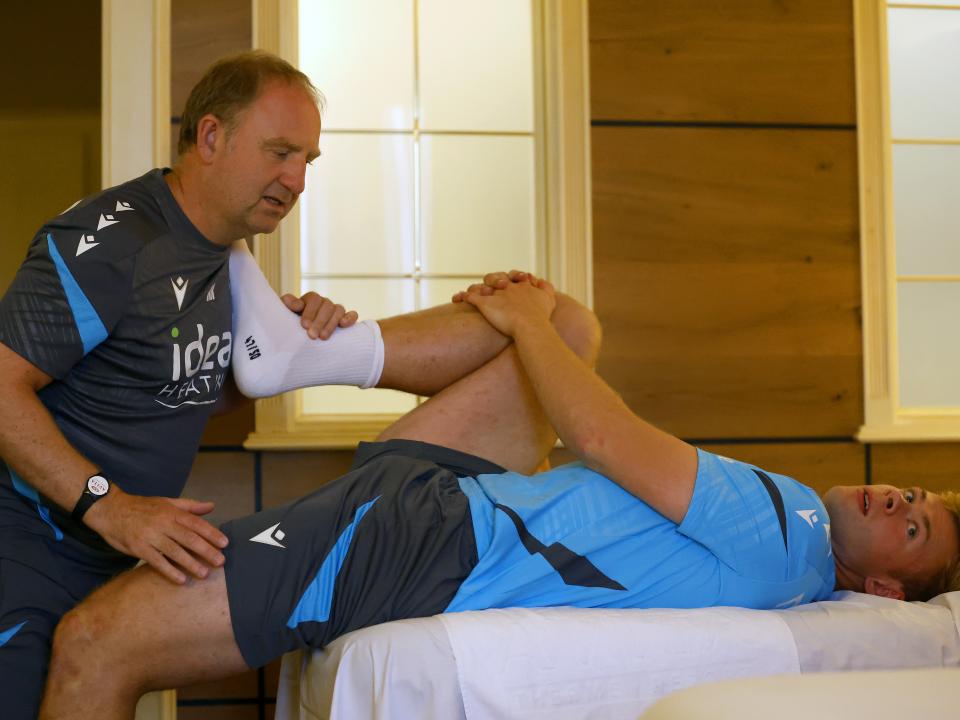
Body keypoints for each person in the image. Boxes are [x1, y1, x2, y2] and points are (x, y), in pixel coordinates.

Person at [38, 270, 960, 719]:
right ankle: (309, 356)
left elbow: (601, 435)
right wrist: (534, 323)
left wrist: (516, 319)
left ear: (880, 589)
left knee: (93, 644)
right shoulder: (790, 539)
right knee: (570, 322)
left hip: (425, 538)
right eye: (910, 491)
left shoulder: (790, 524)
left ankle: (299, 358)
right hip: (468, 494)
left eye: (912, 528)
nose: (892, 500)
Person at [0, 51, 527, 719]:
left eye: (308, 159)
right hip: (25, 546)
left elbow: (169, 386)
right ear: (212, 136)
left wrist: (288, 347)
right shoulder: (112, 241)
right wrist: (112, 506)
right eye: (281, 151)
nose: (297, 178)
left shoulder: (225, 258)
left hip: (104, 558)